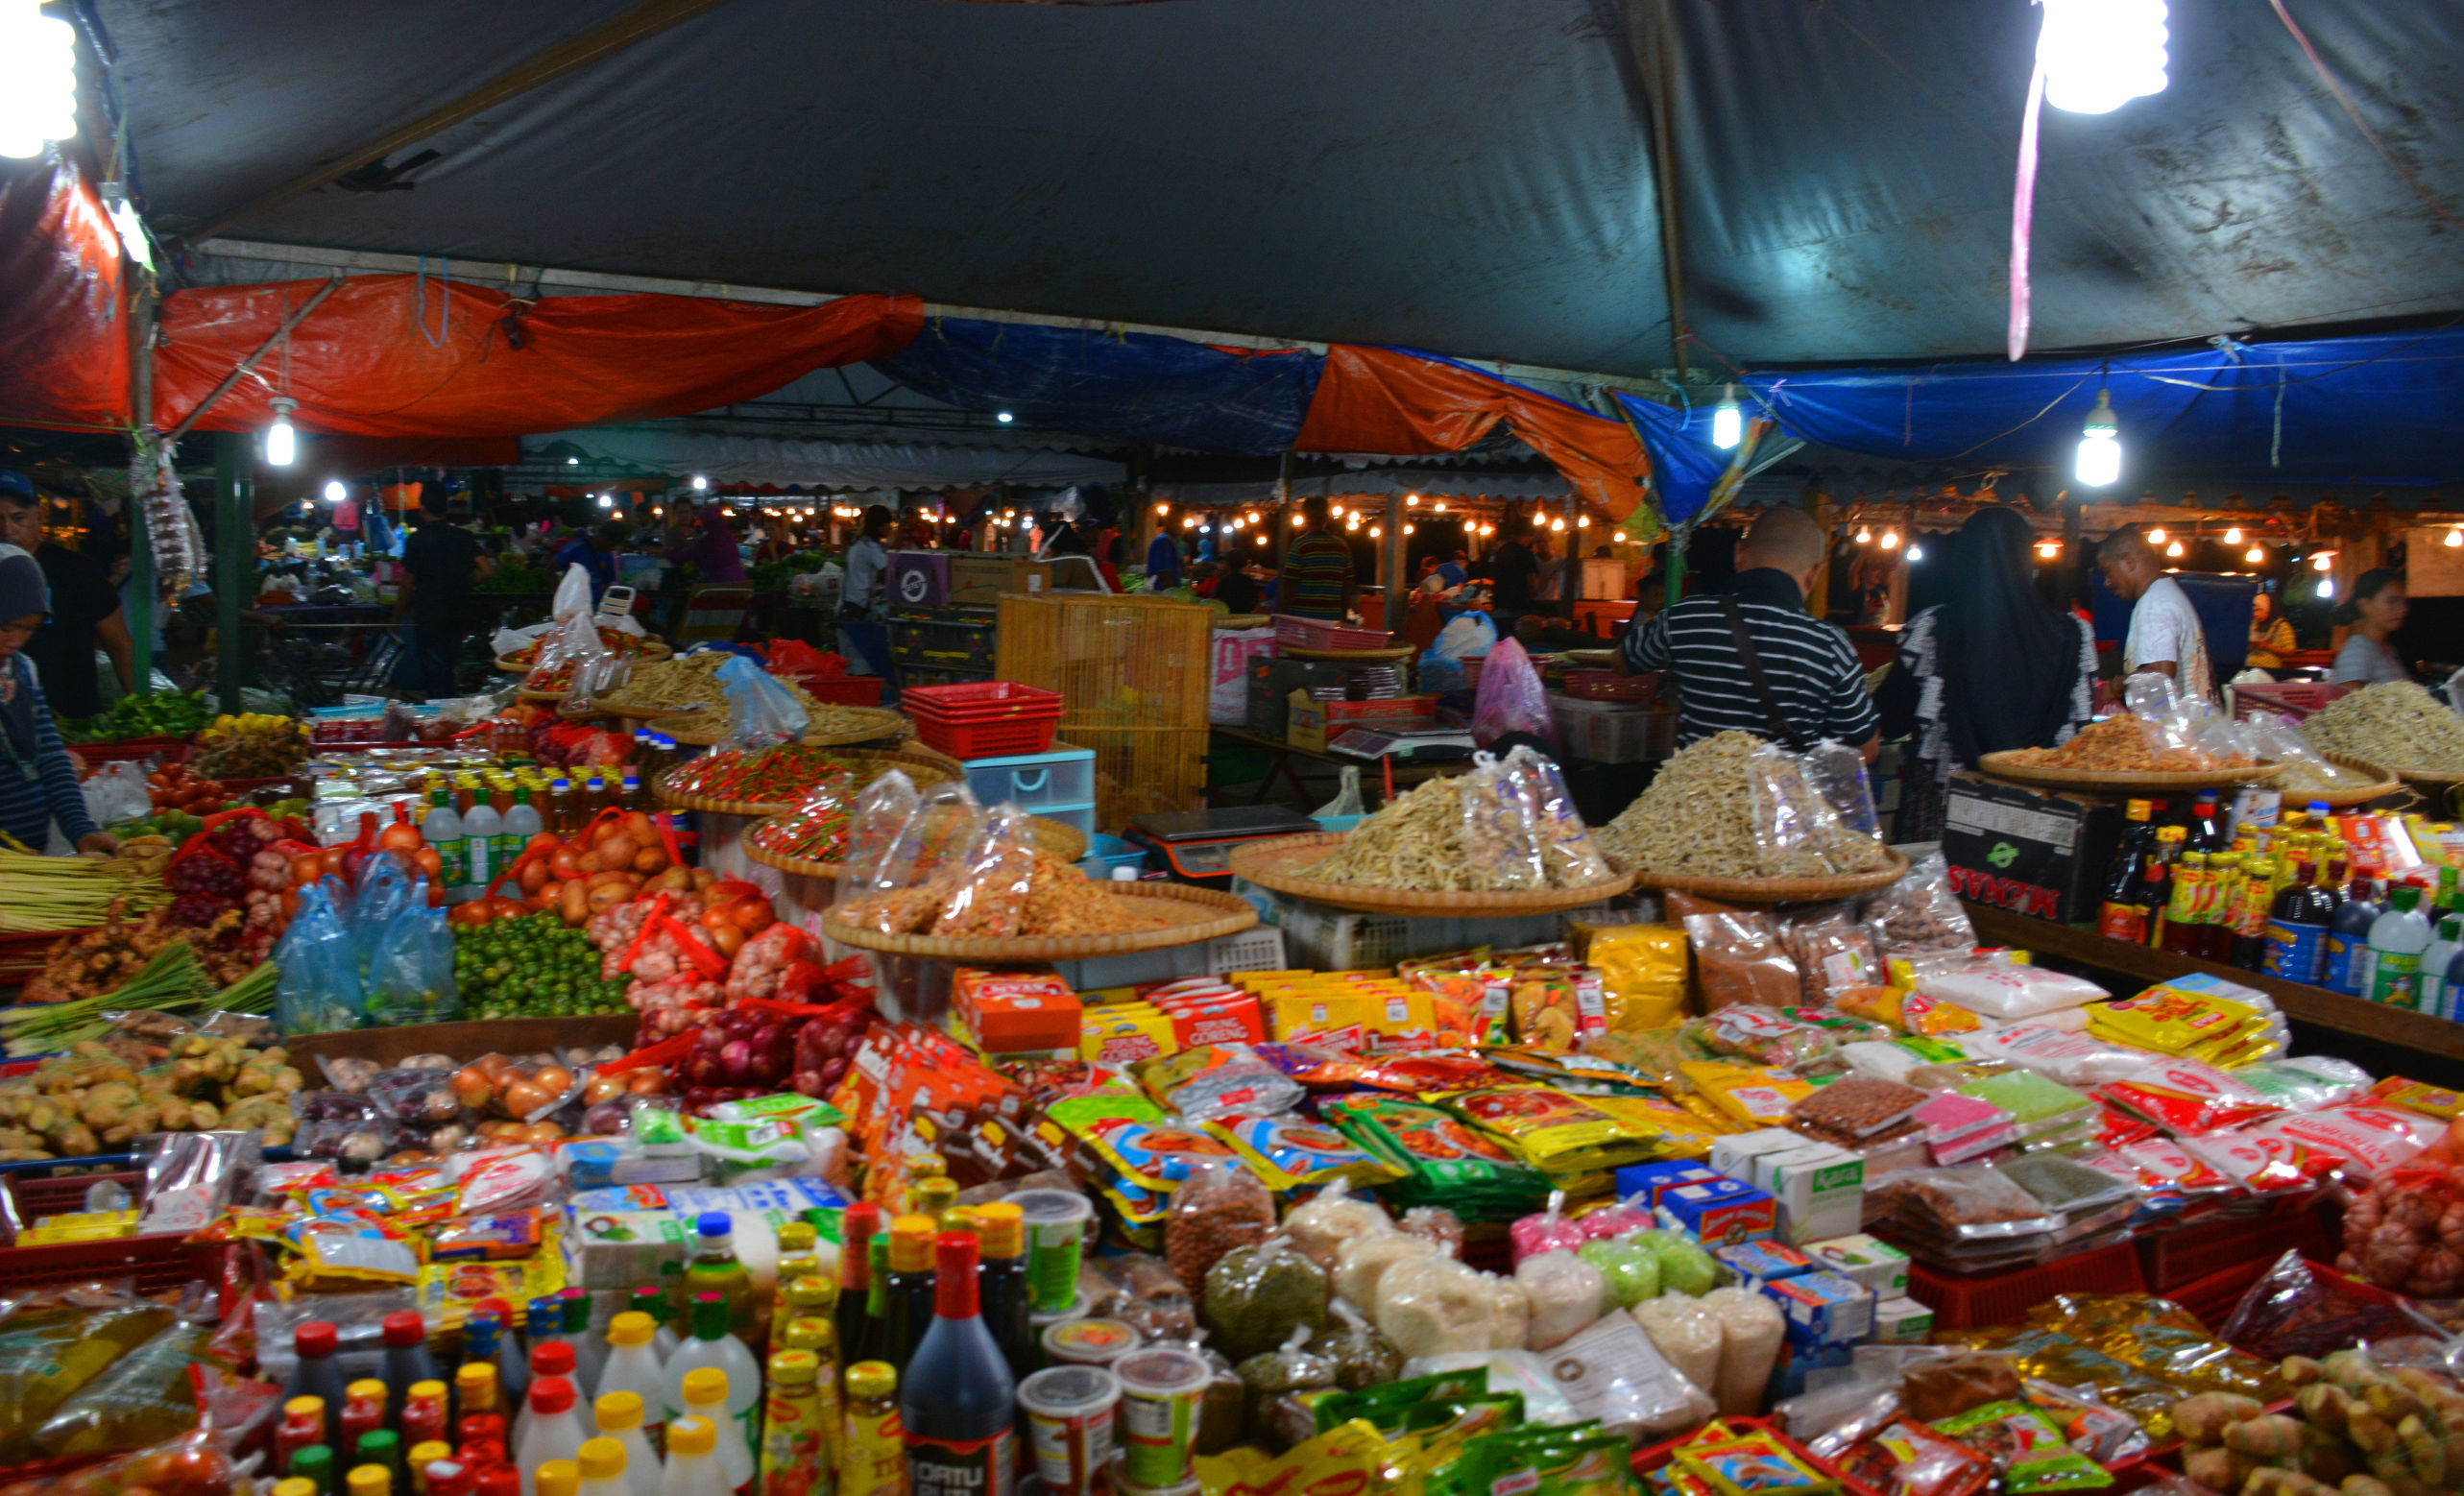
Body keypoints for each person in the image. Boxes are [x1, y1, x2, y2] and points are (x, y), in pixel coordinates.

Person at [1877, 507, 2098, 839]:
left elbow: (1891, 719)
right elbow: (2080, 735)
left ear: (1963, 560)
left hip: (1943, 823)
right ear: (2028, 561)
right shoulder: (2075, 636)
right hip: (2035, 822)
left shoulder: (1931, 629)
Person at [1619, 505, 1880, 759]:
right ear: (1815, 574)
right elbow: (1866, 750)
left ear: (1739, 554)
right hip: (1783, 802)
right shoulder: (1830, 644)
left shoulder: (1687, 616)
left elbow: (1622, 662)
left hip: (1695, 799)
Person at [0, 547, 114, 856]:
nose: (16, 641)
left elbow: (49, 755)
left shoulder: (22, 670)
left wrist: (81, 829)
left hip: (30, 857)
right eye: (7, 626)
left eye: (29, 628)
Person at [0, 475, 133, 720]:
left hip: (71, 716)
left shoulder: (77, 570)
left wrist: (140, 706)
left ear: (39, 516)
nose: (7, 529)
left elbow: (119, 644)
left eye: (18, 518)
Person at [2097, 530, 2212, 699]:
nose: (2107, 583)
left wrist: (2114, 687)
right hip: (2194, 720)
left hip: (2176, 723)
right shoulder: (2167, 593)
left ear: (2128, 562)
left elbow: (2159, 673)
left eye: (2108, 572)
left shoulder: (2154, 603)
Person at [396, 498, 492, 697]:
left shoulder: (417, 539)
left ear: (422, 508)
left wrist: (396, 615)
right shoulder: (463, 536)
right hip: (458, 610)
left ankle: (439, 717)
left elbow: (407, 583)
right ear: (446, 509)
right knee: (449, 667)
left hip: (429, 613)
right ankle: (450, 715)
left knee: (436, 673)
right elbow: (488, 571)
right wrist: (468, 582)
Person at [837, 504, 899, 689]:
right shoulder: (871, 547)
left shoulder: (859, 544)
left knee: (852, 663)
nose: (890, 529)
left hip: (847, 606)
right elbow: (888, 573)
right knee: (862, 664)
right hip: (856, 610)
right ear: (881, 526)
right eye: (889, 525)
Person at [1276, 496, 1356, 620]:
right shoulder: (1342, 546)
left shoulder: (1300, 545)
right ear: (1326, 517)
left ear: (1305, 516)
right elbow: (1347, 586)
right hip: (1331, 619)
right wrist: (1345, 617)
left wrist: (1280, 616)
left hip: (1302, 618)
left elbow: (1289, 584)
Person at [2330, 568, 2411, 685]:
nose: (2403, 609)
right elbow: (2352, 700)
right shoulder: (2356, 652)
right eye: (2391, 601)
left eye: (2404, 602)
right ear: (2364, 605)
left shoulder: (2389, 650)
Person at [670, 502, 748, 584]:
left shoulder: (708, 542)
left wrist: (666, 552)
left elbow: (679, 558)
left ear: (706, 523)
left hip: (718, 588)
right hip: (740, 585)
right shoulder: (729, 537)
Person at [551, 522, 624, 602]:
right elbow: (550, 570)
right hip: (571, 604)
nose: (611, 549)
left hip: (593, 607)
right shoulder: (575, 547)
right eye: (611, 545)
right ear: (602, 537)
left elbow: (607, 582)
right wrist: (561, 596)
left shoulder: (608, 555)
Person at [1483, 523, 1541, 621]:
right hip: (1520, 608)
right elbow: (1532, 583)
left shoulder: (1500, 552)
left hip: (1500, 608)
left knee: (1504, 636)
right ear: (1526, 537)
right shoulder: (1526, 553)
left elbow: (1493, 578)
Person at [2247, 590, 2296, 670]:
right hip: (2250, 669)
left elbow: (2290, 651)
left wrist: (2267, 646)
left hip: (2270, 669)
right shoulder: (2253, 625)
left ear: (2268, 609)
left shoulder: (2282, 626)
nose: (2255, 614)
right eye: (2253, 610)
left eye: (2259, 610)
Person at [1145, 526, 1184, 591]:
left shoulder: (1170, 542)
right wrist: (1170, 594)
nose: (1181, 527)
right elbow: (1163, 571)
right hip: (1160, 591)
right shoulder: (1163, 541)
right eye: (1177, 522)